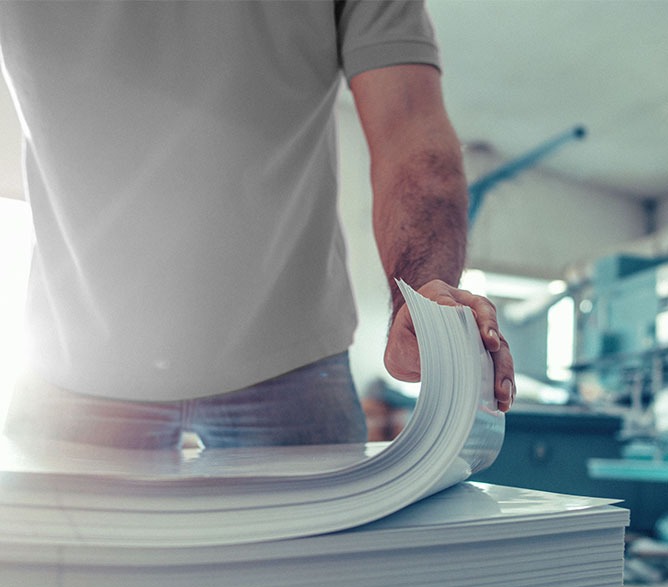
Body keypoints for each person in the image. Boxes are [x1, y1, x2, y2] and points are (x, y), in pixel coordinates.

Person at [0, 0, 514, 450]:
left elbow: (410, 133)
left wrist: (422, 298)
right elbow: (408, 130)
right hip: (71, 364)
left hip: (292, 362)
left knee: (318, 563)